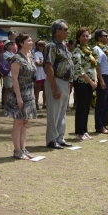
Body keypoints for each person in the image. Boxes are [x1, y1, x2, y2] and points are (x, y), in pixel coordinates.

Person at [4, 33, 37, 159]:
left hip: (29, 92)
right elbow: (14, 78)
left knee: (25, 122)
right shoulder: (17, 58)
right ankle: (17, 151)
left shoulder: (30, 56)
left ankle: (23, 148)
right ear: (21, 43)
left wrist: (33, 94)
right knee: (18, 122)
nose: (31, 42)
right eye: (28, 40)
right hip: (20, 93)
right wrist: (18, 97)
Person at [43, 19, 74, 149]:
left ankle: (60, 137)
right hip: (56, 81)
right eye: (65, 30)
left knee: (62, 112)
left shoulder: (63, 47)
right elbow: (48, 66)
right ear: (57, 32)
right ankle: (51, 139)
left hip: (65, 82)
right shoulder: (51, 46)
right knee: (54, 112)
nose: (67, 32)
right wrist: (54, 86)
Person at [72, 27, 99, 141]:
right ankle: (79, 132)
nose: (85, 38)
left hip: (91, 82)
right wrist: (91, 81)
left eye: (87, 36)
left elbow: (94, 66)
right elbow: (79, 69)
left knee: (87, 108)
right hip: (82, 82)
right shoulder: (77, 51)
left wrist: (96, 80)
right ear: (78, 38)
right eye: (83, 36)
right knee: (81, 108)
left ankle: (84, 130)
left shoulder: (89, 49)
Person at [93, 29, 108, 135]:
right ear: (99, 38)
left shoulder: (107, 49)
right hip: (103, 77)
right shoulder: (96, 49)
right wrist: (101, 80)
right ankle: (99, 126)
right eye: (105, 36)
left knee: (107, 103)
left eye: (107, 35)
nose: (107, 37)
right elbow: (96, 65)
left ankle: (105, 124)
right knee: (101, 103)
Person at [33, 40, 47, 109]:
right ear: (38, 46)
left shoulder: (46, 54)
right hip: (39, 74)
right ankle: (36, 103)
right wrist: (45, 64)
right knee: (37, 89)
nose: (42, 47)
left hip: (45, 74)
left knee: (45, 89)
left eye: (43, 46)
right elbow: (38, 64)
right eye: (41, 45)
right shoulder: (36, 54)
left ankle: (45, 103)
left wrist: (44, 64)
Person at [1, 41, 15, 108]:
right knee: (7, 89)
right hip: (8, 73)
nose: (11, 46)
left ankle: (10, 105)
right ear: (6, 46)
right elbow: (11, 59)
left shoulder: (13, 54)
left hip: (13, 74)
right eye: (9, 44)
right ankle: (6, 106)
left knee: (12, 90)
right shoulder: (5, 54)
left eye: (11, 44)